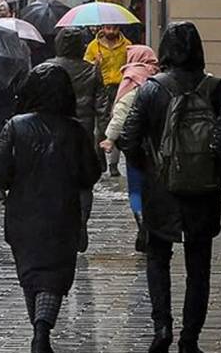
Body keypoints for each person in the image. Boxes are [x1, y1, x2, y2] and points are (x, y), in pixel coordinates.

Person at [118, 22, 221, 353]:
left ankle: (161, 327)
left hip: (160, 188)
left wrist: (148, 166)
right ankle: (189, 341)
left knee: (157, 256)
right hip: (203, 189)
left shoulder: (151, 90)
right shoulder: (216, 89)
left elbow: (127, 138)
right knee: (199, 267)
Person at [0, 63, 101, 353]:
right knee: (54, 276)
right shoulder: (75, 129)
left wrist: (12, 178)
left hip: (23, 213)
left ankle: (39, 329)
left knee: (31, 274)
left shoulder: (16, 125)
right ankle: (42, 328)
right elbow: (91, 173)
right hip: (62, 213)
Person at [49, 27, 104, 251]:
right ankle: (80, 222)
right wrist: (104, 137)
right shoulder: (92, 71)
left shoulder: (47, 68)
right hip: (83, 131)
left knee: (55, 180)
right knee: (84, 182)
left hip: (53, 133)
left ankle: (60, 225)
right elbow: (101, 108)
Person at [101, 45, 159, 252]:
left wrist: (109, 137)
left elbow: (121, 111)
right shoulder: (157, 77)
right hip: (156, 144)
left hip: (135, 144)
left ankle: (142, 222)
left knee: (135, 187)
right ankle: (152, 222)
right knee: (153, 185)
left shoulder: (132, 77)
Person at [85, 24, 132, 176]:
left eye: (114, 28)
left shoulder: (127, 45)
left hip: (121, 87)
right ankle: (100, 162)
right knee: (101, 127)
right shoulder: (94, 46)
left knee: (118, 124)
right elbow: (86, 67)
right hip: (102, 88)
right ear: (103, 29)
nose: (111, 32)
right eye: (108, 28)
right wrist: (95, 63)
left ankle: (113, 164)